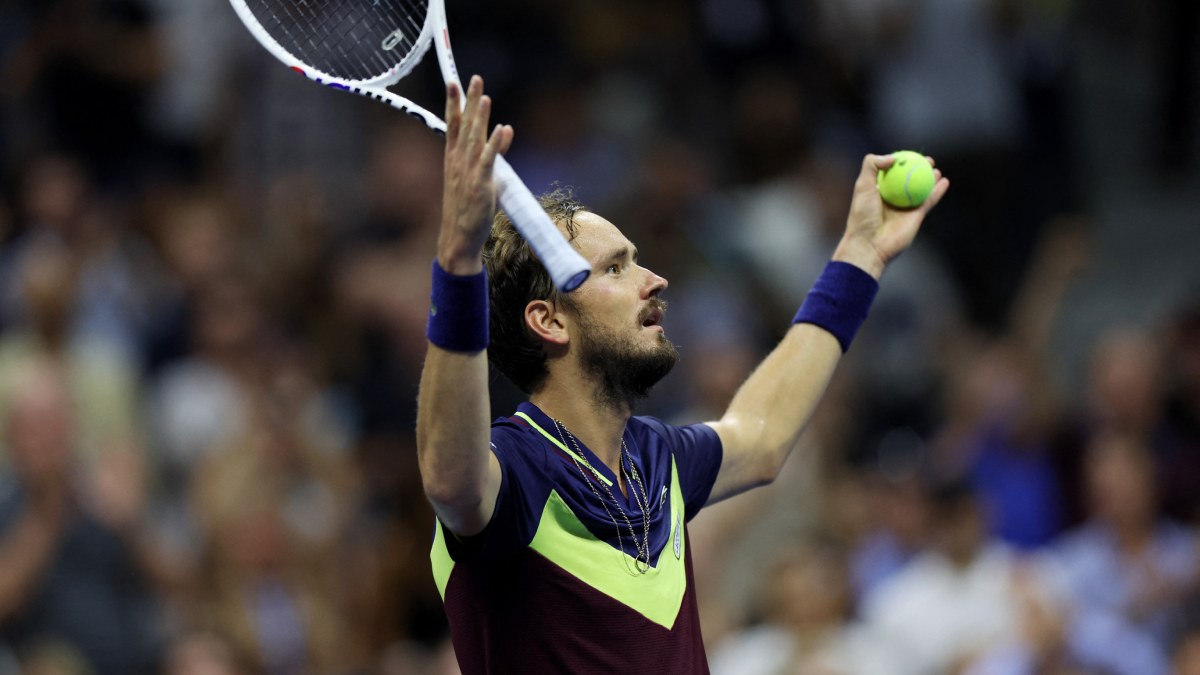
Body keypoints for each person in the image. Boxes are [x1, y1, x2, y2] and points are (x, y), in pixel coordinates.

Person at [417, 75, 948, 672]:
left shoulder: (655, 459)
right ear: (549, 321)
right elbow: (448, 476)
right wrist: (458, 266)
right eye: (616, 269)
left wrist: (861, 254)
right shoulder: (513, 470)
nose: (655, 280)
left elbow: (762, 435)